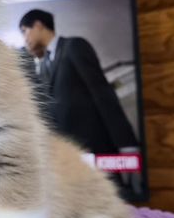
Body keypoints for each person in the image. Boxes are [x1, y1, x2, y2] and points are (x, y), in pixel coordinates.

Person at [19, 9, 138, 154]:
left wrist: (126, 142)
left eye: (24, 31)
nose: (24, 39)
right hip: (67, 153)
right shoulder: (43, 65)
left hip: (94, 146)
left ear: (38, 25)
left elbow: (102, 92)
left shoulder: (74, 46)